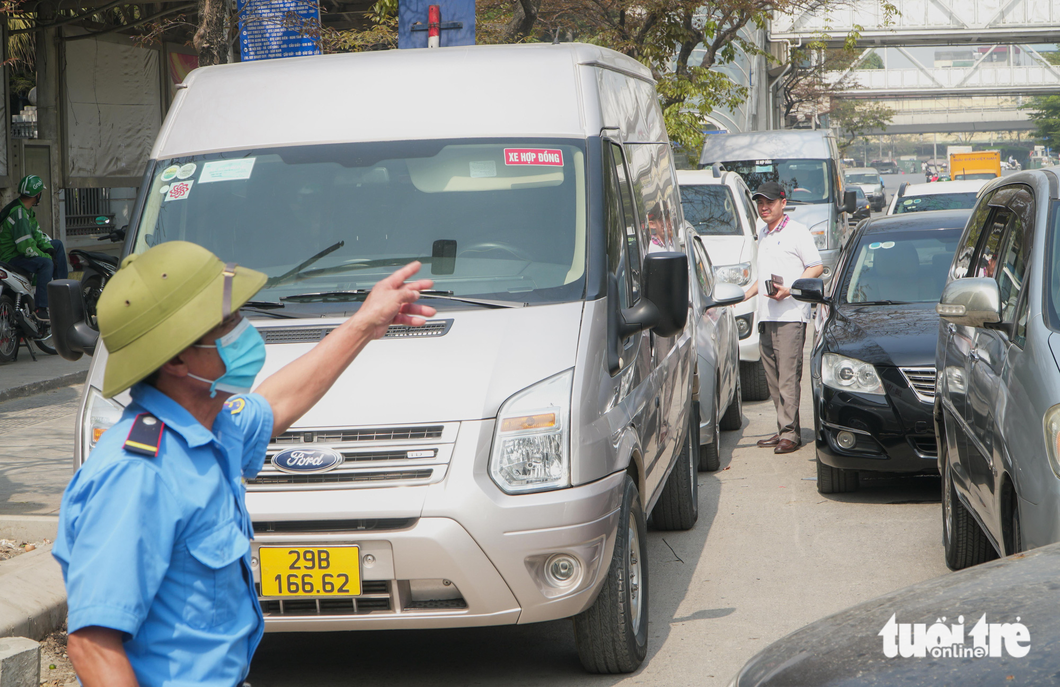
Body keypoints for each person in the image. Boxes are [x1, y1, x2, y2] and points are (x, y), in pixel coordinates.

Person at [52, 241, 436, 687]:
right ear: (177, 359)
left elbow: (277, 402)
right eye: (228, 323)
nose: (245, 332)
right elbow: (93, 646)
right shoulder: (137, 473)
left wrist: (364, 324)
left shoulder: (213, 424)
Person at [741, 181, 824, 454]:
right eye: (760, 203)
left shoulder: (797, 232)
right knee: (773, 378)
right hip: (766, 315)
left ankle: (791, 434)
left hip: (790, 315)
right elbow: (761, 277)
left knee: (788, 377)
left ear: (783, 202)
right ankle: (783, 429)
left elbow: (816, 266)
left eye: (769, 202)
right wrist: (742, 296)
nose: (764, 208)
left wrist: (791, 289)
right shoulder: (762, 232)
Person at [0, 174, 68, 319]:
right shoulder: (19, 214)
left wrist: (48, 248)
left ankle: (62, 293)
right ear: (36, 195)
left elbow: (37, 235)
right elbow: (26, 247)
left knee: (57, 245)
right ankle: (40, 308)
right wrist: (47, 256)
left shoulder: (26, 210)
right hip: (12, 257)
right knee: (46, 263)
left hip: (21, 251)